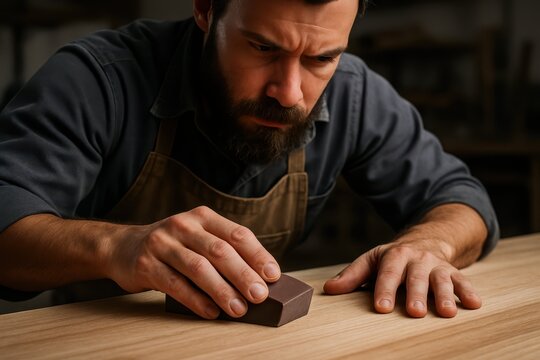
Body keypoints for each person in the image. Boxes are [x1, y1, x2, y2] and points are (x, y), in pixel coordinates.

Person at [0, 0, 498, 319]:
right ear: (205, 10)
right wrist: (116, 246)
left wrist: (430, 243)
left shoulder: (355, 95)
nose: (288, 92)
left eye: (321, 58)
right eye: (263, 47)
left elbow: (462, 200)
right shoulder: (97, 79)